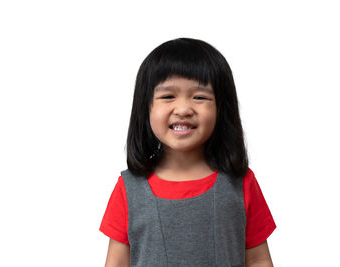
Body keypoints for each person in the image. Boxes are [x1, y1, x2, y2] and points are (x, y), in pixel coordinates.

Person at [100, 38, 276, 266]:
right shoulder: (129, 189)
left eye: (200, 97)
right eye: (167, 96)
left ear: (221, 108)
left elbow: (259, 260)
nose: (183, 109)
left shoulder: (241, 183)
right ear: (145, 107)